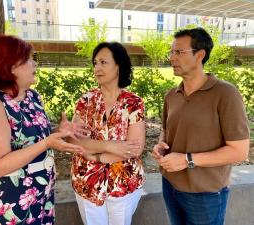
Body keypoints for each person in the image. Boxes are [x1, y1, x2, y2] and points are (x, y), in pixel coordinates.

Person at [0, 35, 86, 225]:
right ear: (9, 65)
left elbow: (29, 139)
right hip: (11, 204)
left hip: (41, 196)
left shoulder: (31, 96)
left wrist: (58, 131)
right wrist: (47, 143)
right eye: (29, 59)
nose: (34, 65)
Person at [152, 27, 250, 225]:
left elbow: (239, 152)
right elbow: (165, 131)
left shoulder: (225, 94)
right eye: (171, 52)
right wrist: (160, 145)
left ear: (200, 55)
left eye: (178, 52)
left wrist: (188, 160)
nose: (172, 57)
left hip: (206, 195)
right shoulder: (172, 95)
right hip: (170, 184)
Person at [68, 42, 146, 225]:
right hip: (86, 182)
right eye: (95, 63)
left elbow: (134, 149)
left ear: (118, 65)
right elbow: (75, 139)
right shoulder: (85, 101)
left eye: (103, 62)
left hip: (123, 184)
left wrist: (94, 155)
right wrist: (111, 146)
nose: (97, 68)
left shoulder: (133, 103)